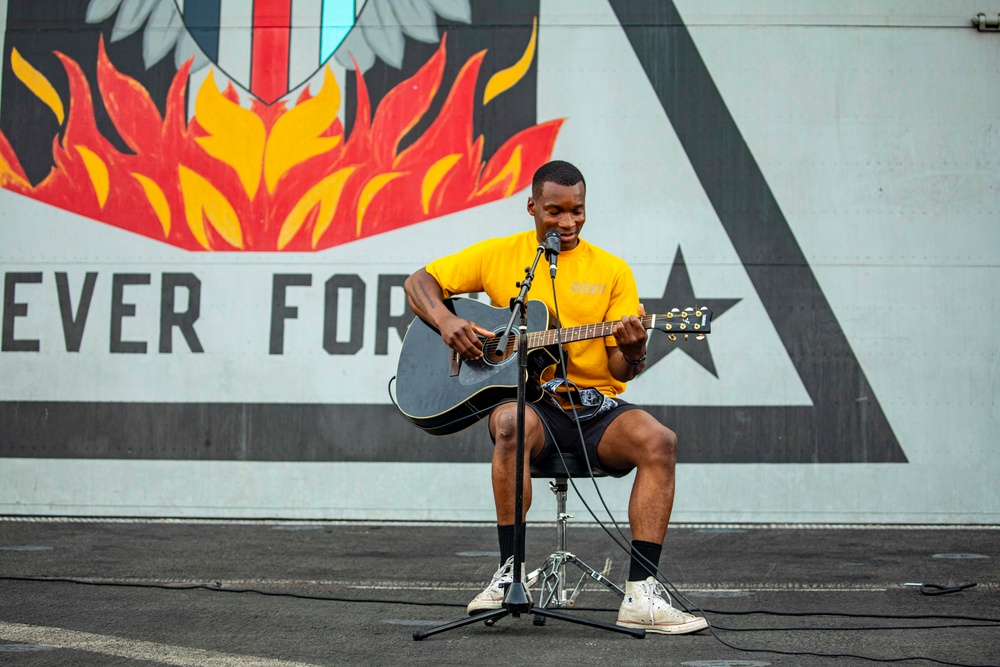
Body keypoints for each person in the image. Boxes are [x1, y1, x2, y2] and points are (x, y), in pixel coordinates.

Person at [403, 160, 707, 635]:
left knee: (659, 441)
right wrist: (447, 323)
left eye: (577, 211)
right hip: (533, 408)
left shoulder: (611, 270)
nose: (568, 222)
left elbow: (620, 370)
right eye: (555, 211)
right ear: (532, 208)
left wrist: (635, 348)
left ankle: (641, 594)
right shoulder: (499, 255)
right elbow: (418, 282)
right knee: (509, 422)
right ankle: (509, 575)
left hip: (594, 405)